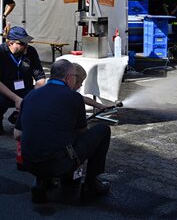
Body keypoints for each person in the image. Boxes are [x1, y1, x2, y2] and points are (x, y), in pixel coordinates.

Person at [14, 59, 111, 203]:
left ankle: (41, 181)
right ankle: (91, 184)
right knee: (102, 130)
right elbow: (81, 133)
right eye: (75, 78)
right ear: (69, 78)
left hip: (29, 163)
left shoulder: (30, 96)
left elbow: (17, 134)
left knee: (44, 137)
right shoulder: (74, 98)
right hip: (57, 164)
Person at [0, 26, 46, 135]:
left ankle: (20, 118)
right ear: (10, 43)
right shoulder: (1, 52)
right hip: (5, 91)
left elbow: (40, 77)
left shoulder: (31, 51)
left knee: (41, 97)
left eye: (27, 43)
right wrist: (16, 99)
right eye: (22, 43)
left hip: (26, 89)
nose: (26, 46)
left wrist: (34, 96)